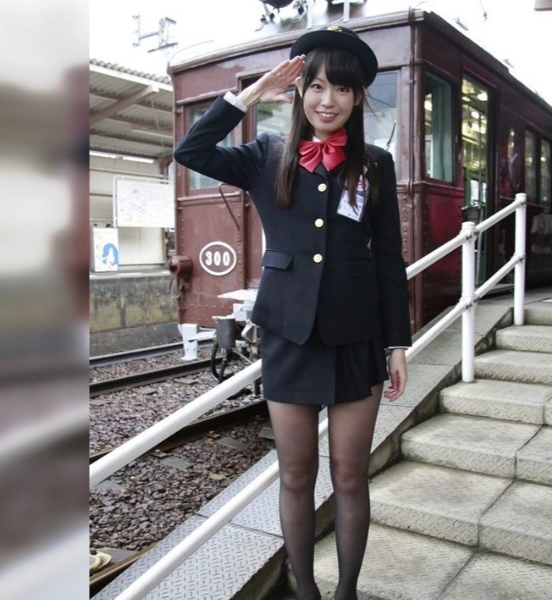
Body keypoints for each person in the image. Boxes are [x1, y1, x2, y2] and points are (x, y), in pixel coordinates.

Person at [174, 26, 411, 600]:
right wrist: (248, 97)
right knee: (297, 475)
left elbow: (389, 261)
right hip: (289, 335)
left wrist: (397, 343)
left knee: (350, 475)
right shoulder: (265, 155)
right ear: (299, 90)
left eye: (342, 89)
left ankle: (346, 592)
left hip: (356, 337)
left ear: (358, 98)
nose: (328, 100)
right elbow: (191, 152)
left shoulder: (375, 165)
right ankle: (306, 591)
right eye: (317, 86)